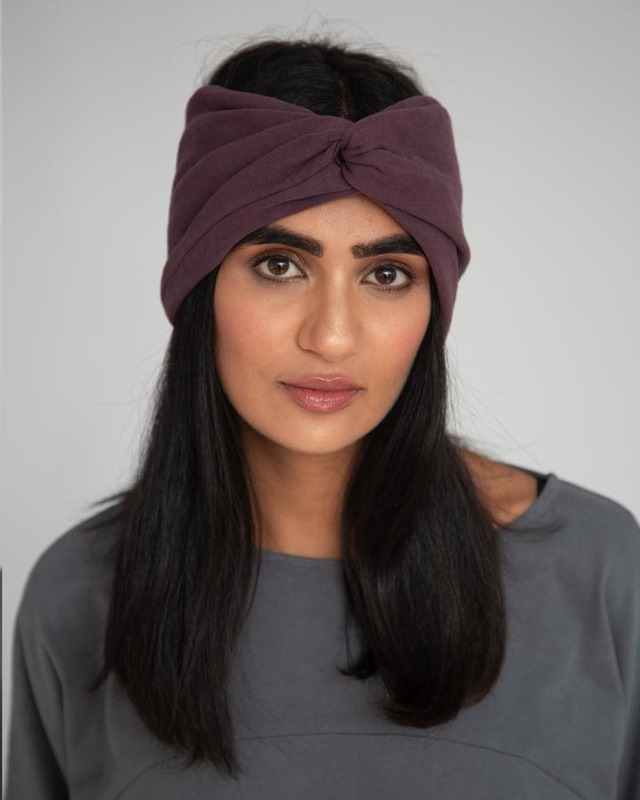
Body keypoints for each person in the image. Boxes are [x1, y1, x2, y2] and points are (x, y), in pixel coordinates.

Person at [5, 34, 639, 800]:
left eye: (387, 273)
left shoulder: (601, 576)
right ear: (200, 287)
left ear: (433, 306)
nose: (332, 337)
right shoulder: (79, 597)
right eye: (279, 265)